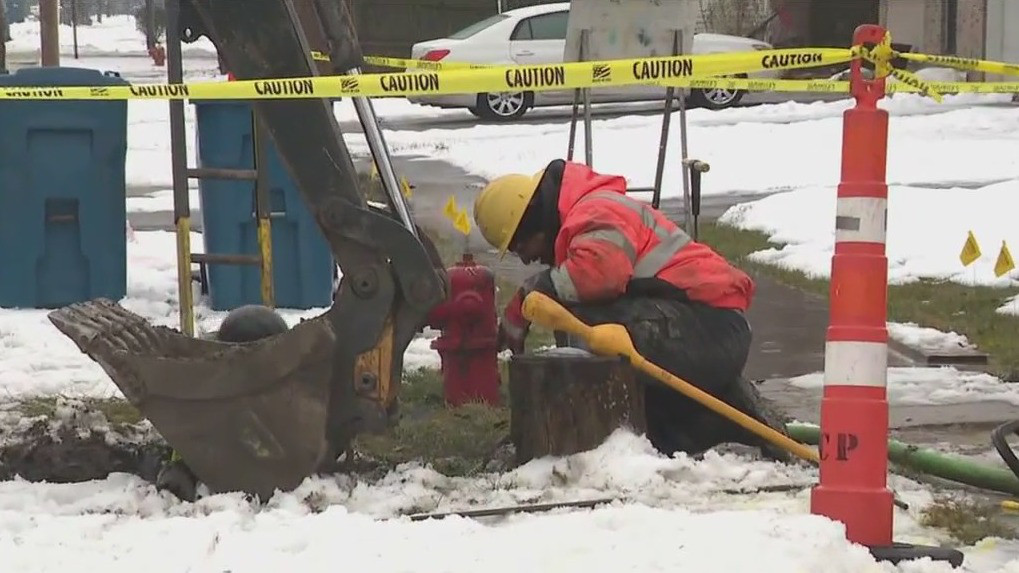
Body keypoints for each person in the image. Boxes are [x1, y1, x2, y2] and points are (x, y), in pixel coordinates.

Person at [472, 159, 791, 462]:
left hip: (710, 329)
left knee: (586, 325)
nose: (527, 260)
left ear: (534, 221)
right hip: (702, 327)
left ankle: (604, 436)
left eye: (520, 248)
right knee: (590, 328)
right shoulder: (588, 212)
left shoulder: (595, 211)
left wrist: (527, 296)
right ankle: (686, 430)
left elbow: (598, 275)